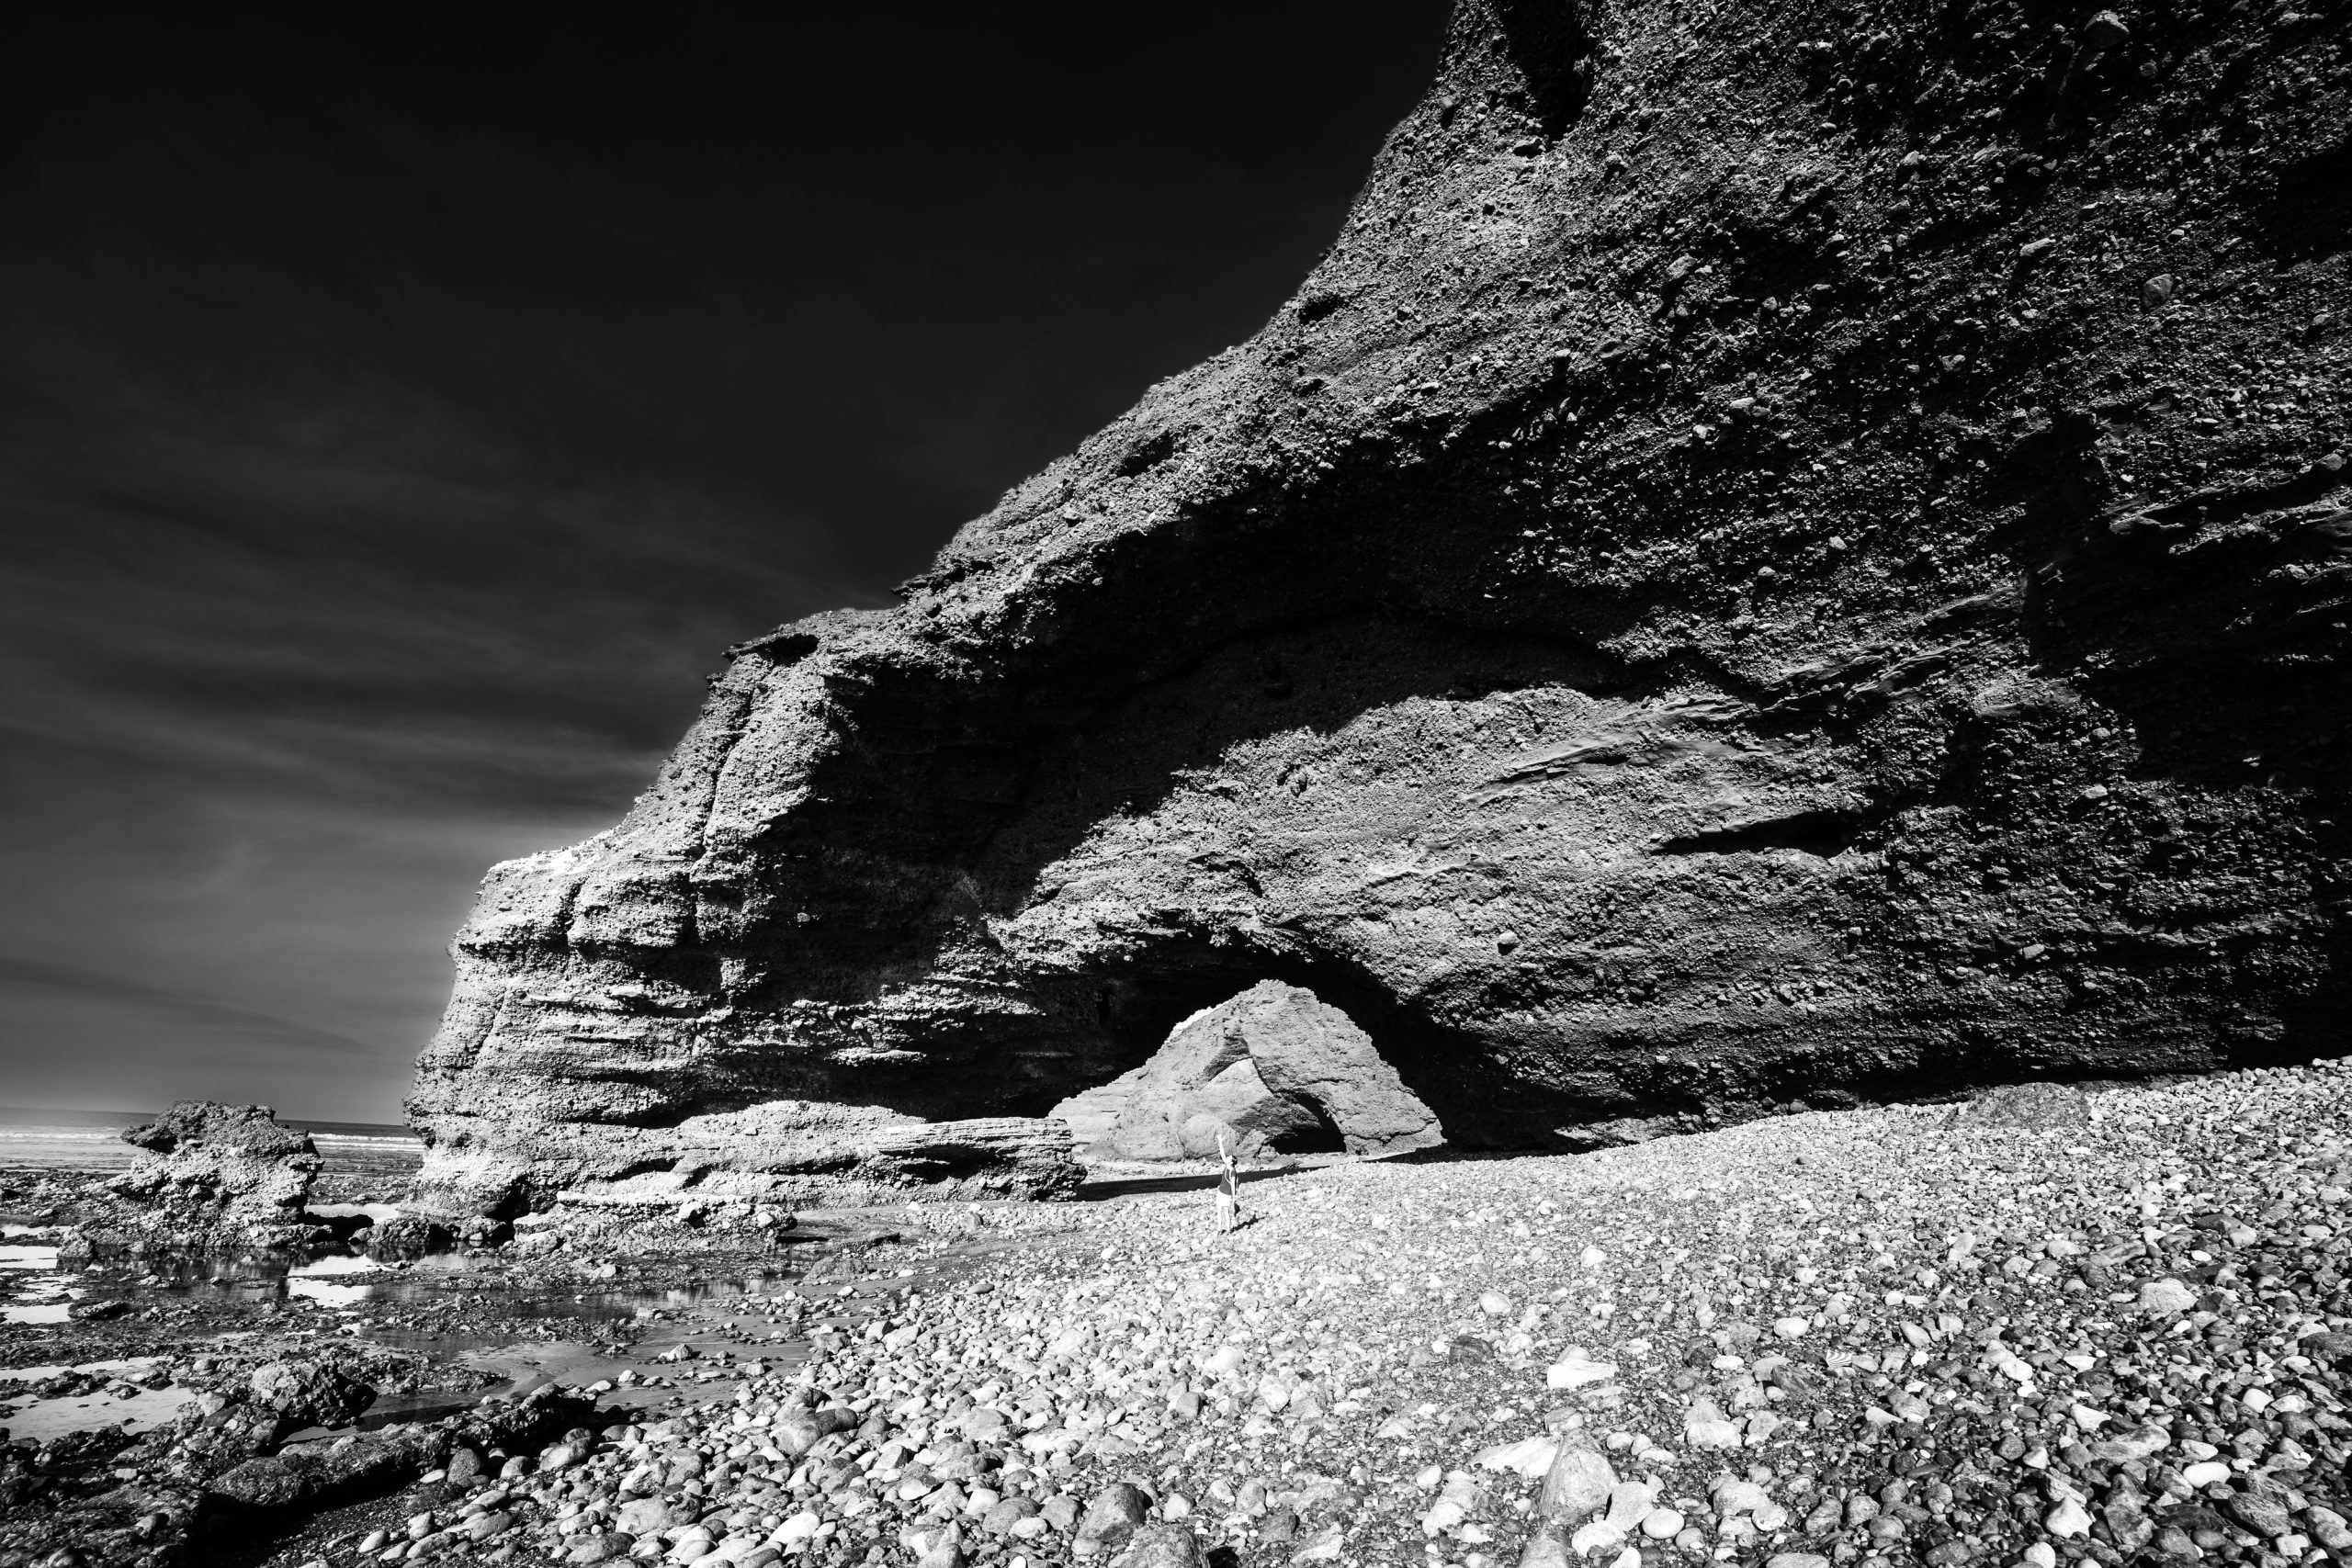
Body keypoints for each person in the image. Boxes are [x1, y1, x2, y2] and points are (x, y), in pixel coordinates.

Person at [1216, 1130, 1240, 1234]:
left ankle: (1229, 1229)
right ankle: (1219, 1230)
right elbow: (1222, 1153)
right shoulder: (1227, 1165)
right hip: (1220, 1191)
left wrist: (1234, 1198)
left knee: (1225, 1211)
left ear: (1231, 1161)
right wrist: (1220, 1141)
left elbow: (1233, 1186)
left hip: (1226, 1194)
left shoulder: (1233, 1172)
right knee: (1219, 1211)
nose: (1227, 1157)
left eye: (1229, 1157)